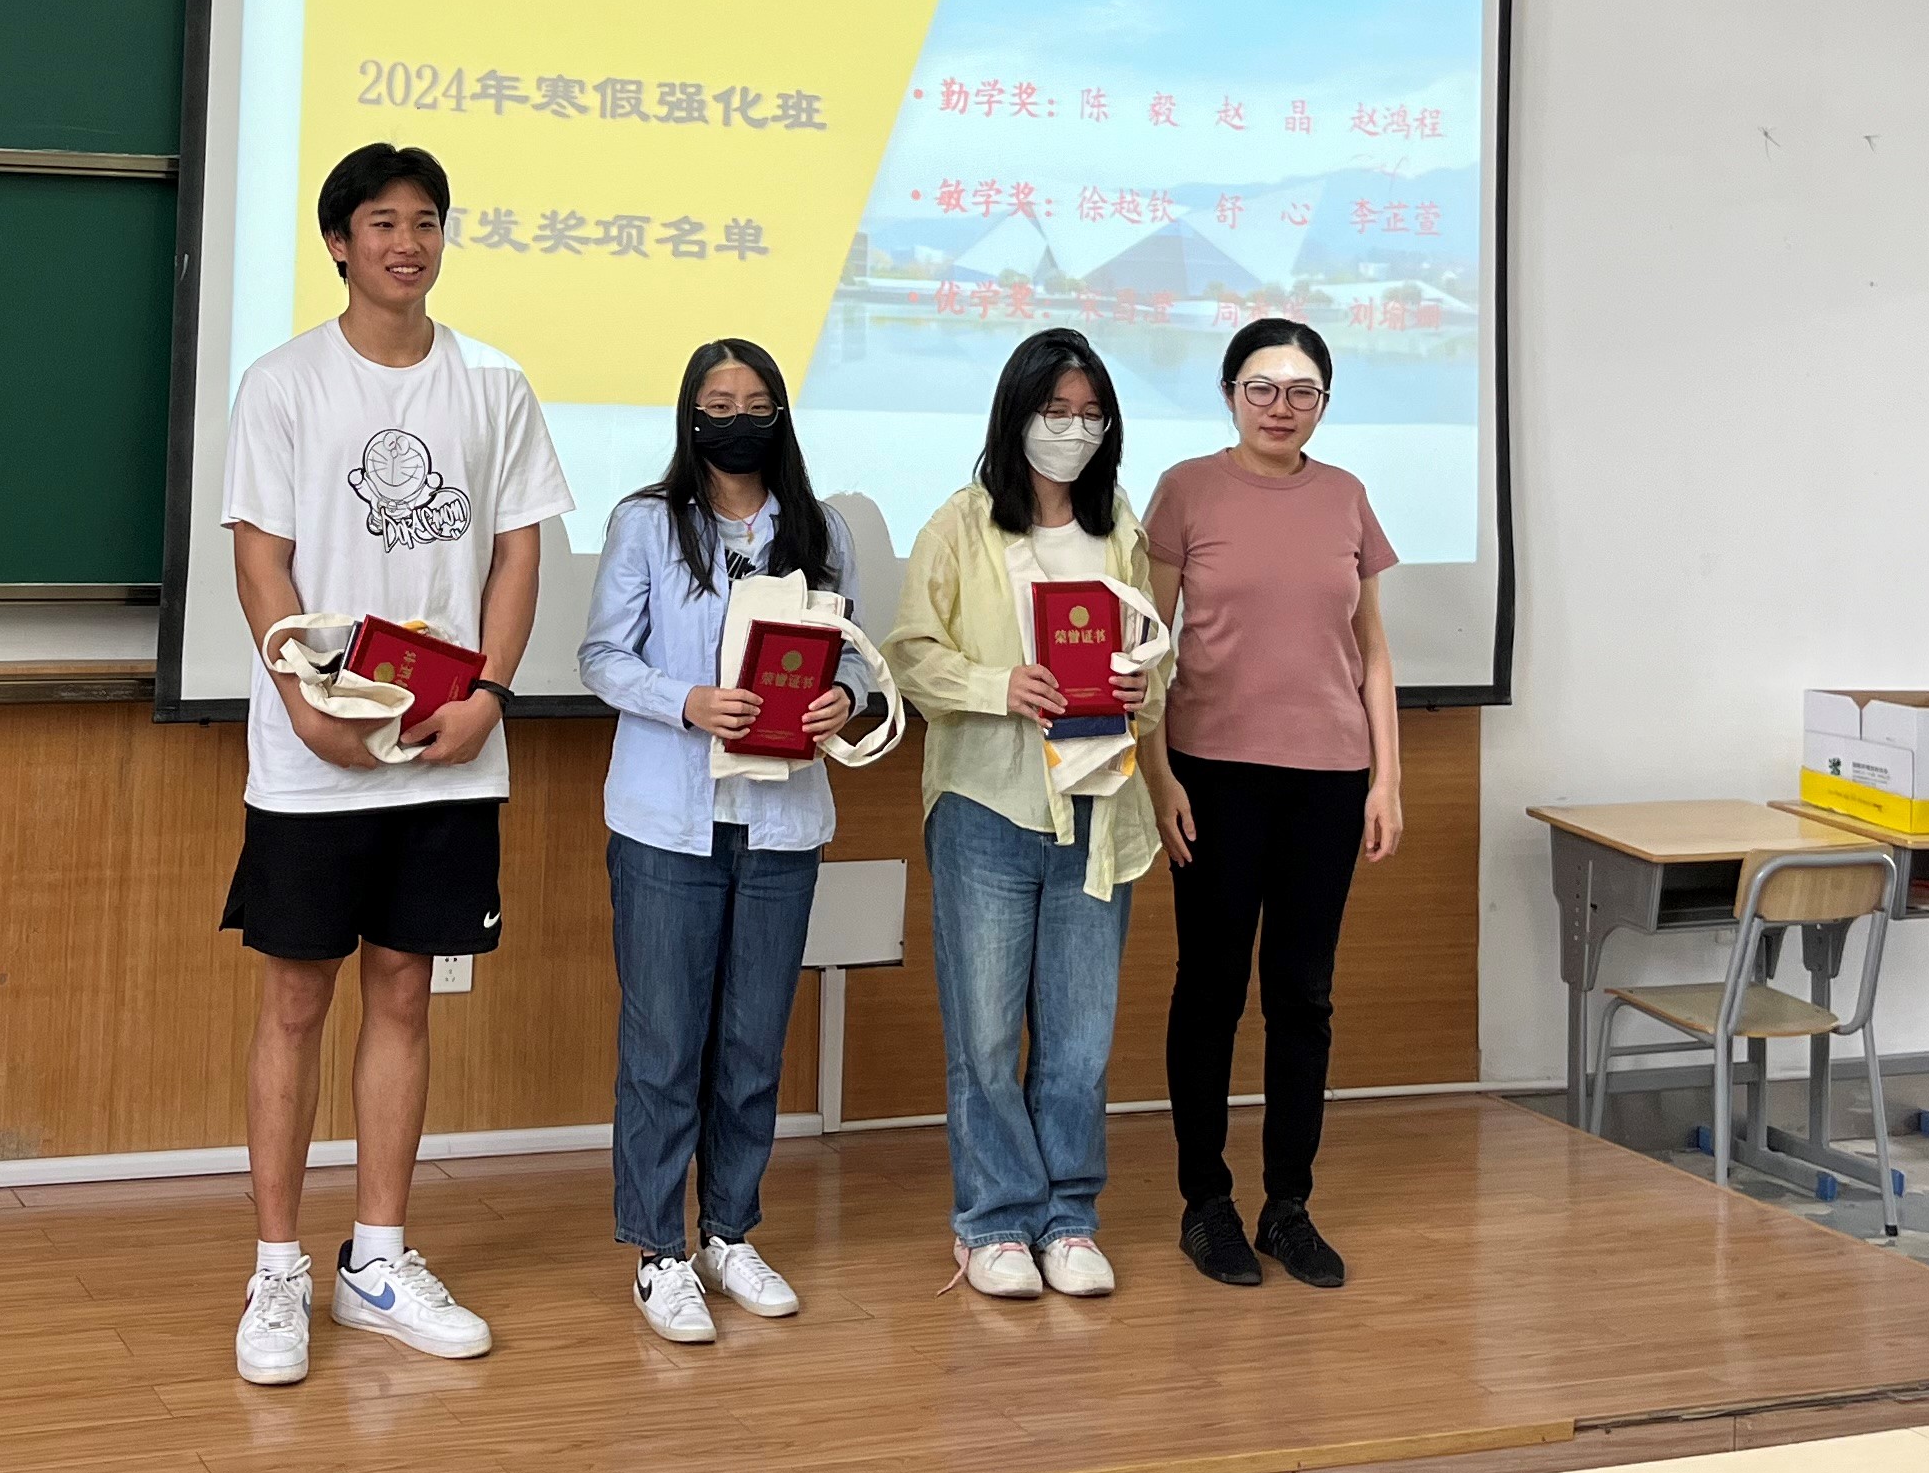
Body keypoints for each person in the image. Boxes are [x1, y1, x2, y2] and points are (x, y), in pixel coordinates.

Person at [219, 139, 573, 1388]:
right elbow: (260, 561)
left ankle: (376, 1259)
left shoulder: (494, 383)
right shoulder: (283, 383)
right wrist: (305, 705)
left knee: (407, 993)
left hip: (449, 751)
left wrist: (492, 695)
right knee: (295, 1001)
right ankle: (277, 1269)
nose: (407, 242)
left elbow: (518, 554)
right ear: (339, 243)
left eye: (425, 220)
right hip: (314, 757)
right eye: (381, 222)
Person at [578, 338, 875, 1347]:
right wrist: (687, 700)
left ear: (781, 415)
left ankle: (729, 1232)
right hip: (669, 820)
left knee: (753, 1044)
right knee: (664, 1046)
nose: (736, 418)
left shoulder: (822, 529)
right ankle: (659, 1251)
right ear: (690, 415)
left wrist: (845, 699)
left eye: (755, 403)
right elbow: (601, 657)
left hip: (783, 823)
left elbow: (855, 660)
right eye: (718, 402)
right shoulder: (647, 523)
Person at [883, 327, 1162, 1301]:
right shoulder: (961, 525)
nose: (1072, 430)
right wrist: (1000, 686)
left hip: (1099, 808)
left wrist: (1141, 686)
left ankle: (1069, 1219)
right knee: (987, 1037)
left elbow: (1154, 657)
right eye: (1055, 412)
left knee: (1080, 1042)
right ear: (1016, 415)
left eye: (1090, 415)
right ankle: (994, 1222)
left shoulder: (1119, 526)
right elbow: (910, 653)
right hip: (988, 807)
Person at [1143, 316, 1402, 1294]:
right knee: (1210, 989)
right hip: (1211, 775)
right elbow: (1145, 647)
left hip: (1329, 778)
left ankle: (1287, 1204)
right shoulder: (1186, 491)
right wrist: (1159, 775)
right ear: (1229, 394)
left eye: (1302, 391)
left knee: (1304, 995)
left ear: (1323, 403)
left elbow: (1373, 653)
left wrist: (1388, 778)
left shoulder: (1345, 497)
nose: (1281, 407)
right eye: (1262, 387)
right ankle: (1204, 1202)